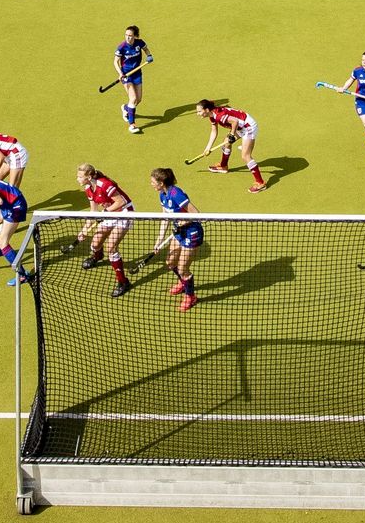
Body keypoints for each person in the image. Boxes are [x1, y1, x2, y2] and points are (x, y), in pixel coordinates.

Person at [67, 164, 134, 297]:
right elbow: (93, 211)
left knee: (111, 247)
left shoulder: (105, 184)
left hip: (124, 212)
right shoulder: (88, 188)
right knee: (95, 244)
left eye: (80, 176)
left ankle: (123, 282)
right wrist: (84, 230)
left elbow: (120, 202)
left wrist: (105, 212)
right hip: (108, 213)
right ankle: (97, 256)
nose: (77, 179)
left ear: (89, 177)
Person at [150, 167, 203, 312]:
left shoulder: (176, 194)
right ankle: (183, 283)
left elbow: (196, 214)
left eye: (153, 182)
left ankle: (190, 296)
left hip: (192, 233)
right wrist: (159, 239)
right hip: (178, 233)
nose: (151, 184)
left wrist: (183, 222)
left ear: (161, 183)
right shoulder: (162, 195)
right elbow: (165, 218)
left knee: (182, 268)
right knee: (170, 262)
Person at [196, 99, 267, 193]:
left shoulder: (219, 116)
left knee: (245, 156)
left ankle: (260, 183)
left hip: (248, 126)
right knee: (226, 143)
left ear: (207, 110)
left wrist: (232, 134)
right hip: (240, 126)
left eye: (199, 111)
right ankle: (223, 166)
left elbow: (235, 121)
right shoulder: (212, 116)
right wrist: (208, 148)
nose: (198, 113)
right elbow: (214, 131)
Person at [114, 25, 153, 134]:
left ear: (135, 36)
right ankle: (132, 125)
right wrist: (120, 73)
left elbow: (146, 49)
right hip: (126, 75)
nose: (128, 37)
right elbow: (115, 61)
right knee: (133, 98)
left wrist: (149, 55)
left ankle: (125, 108)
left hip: (137, 73)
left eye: (130, 35)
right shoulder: (122, 47)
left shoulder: (139, 43)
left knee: (138, 99)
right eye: (126, 35)